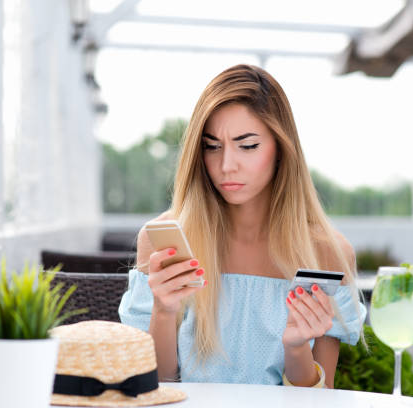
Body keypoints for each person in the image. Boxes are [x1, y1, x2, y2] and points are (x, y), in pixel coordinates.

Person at [119, 64, 366, 388]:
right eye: (212, 146)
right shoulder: (163, 241)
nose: (226, 166)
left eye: (247, 146)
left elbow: (320, 399)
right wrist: (163, 312)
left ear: (281, 149)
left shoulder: (324, 252)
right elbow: (153, 387)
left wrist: (295, 348)